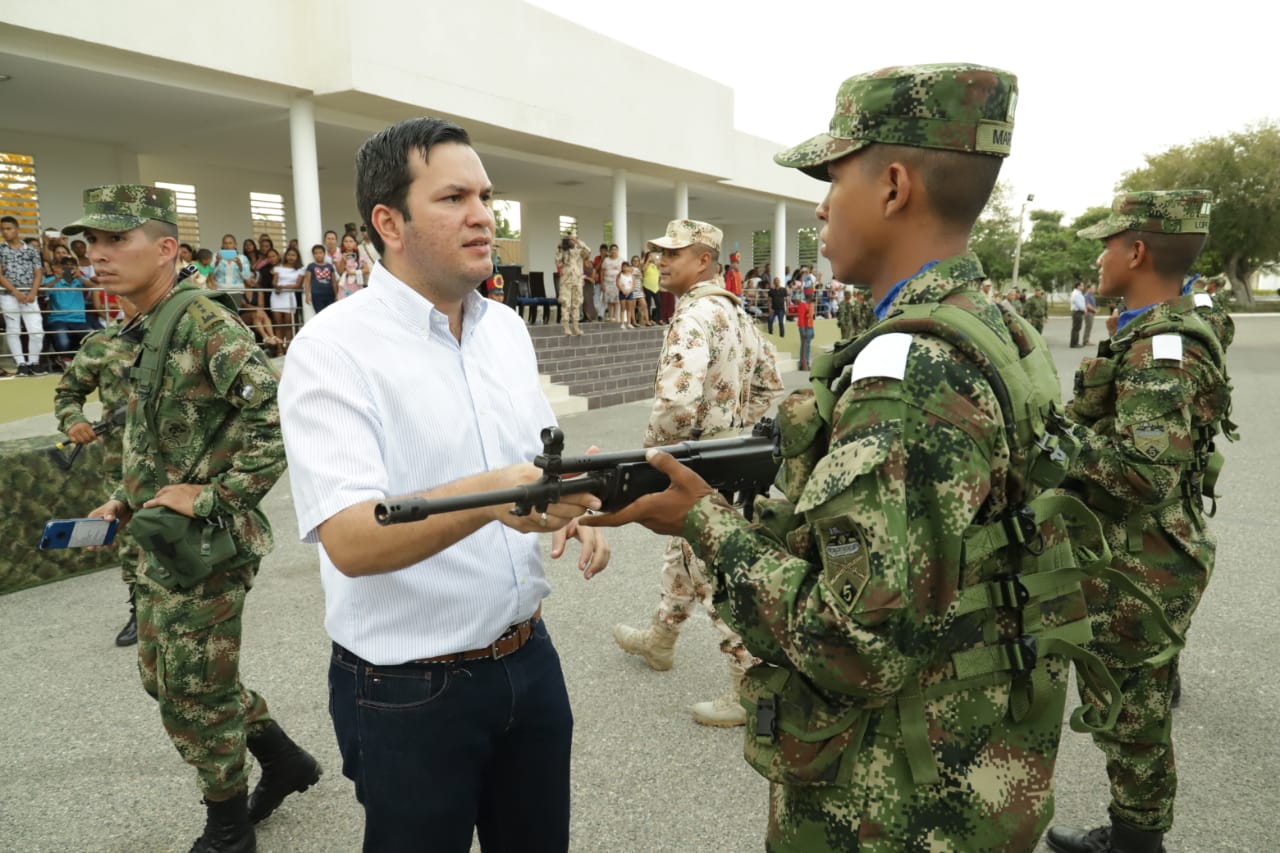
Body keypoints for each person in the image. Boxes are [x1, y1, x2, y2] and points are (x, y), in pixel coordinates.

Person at [582, 63, 1115, 851]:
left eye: (835, 177)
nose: (823, 204)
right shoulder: (995, 324)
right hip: (977, 762)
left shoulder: (909, 373)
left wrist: (700, 521)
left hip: (898, 806)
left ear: (894, 186)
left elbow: (850, 645)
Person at [277, 117, 610, 853]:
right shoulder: (333, 349)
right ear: (388, 221)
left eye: (485, 195)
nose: (483, 215)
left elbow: (527, 462)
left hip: (530, 661)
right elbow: (353, 538)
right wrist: (501, 493)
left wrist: (562, 505)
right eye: (454, 196)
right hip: (407, 691)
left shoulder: (506, 330)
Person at [70, 185, 320, 852]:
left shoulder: (206, 324)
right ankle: (286, 760)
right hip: (158, 537)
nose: (97, 253)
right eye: (90, 242)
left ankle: (229, 825)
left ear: (167, 248)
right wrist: (129, 498)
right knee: (168, 677)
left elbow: (279, 423)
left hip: (205, 544)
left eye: (115, 239)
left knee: (190, 690)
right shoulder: (141, 329)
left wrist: (209, 498)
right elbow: (164, 434)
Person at [1047, 190, 1233, 853]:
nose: (1097, 256)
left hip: (1144, 558)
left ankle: (1135, 842)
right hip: (1142, 551)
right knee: (1133, 705)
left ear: (1136, 251)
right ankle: (1133, 832)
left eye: (1106, 243)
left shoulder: (1163, 347)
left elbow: (1143, 472)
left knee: (1135, 713)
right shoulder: (1158, 325)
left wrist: (1050, 445)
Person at [612, 218, 782, 727]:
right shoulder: (734, 313)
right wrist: (732, 435)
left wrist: (656, 460)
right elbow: (770, 383)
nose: (660, 261)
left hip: (689, 463)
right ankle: (661, 639)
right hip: (722, 461)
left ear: (704, 260)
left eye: (674, 254)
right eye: (659, 253)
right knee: (686, 552)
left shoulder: (692, 318)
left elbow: (675, 403)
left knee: (713, 570)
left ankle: (749, 683)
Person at [54, 295, 142, 644]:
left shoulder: (178, 336)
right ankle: (140, 608)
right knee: (132, 536)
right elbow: (67, 394)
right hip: (121, 460)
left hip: (175, 457)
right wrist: (73, 420)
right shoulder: (102, 344)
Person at [0, 215, 48, 376]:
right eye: (3, 229)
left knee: (36, 330)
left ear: (17, 229)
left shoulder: (31, 250)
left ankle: (33, 362)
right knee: (13, 329)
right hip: (8, 295)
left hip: (30, 295)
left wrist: (33, 292)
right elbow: (0, 275)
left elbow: (38, 272)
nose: (5, 232)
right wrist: (15, 292)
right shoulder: (0, 249)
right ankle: (21, 363)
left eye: (8, 228)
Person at [43, 255, 97, 363]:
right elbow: (41, 291)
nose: (69, 268)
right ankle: (63, 360)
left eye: (72, 266)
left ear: (77, 267)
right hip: (58, 319)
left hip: (79, 319)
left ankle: (81, 360)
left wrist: (79, 277)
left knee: (93, 340)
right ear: (60, 267)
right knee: (63, 343)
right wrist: (58, 278)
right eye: (66, 266)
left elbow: (94, 286)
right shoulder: (52, 280)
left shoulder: (80, 280)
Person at [555, 234, 591, 336]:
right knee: (566, 303)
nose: (571, 241)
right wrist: (559, 249)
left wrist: (578, 242)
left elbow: (588, 251)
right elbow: (558, 263)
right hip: (566, 280)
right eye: (569, 239)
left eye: (573, 239)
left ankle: (576, 327)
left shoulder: (579, 251)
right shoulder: (563, 251)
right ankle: (566, 328)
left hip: (577, 280)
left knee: (576, 303)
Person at [210, 234, 252, 309]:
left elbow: (247, 277)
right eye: (225, 243)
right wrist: (217, 262)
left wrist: (239, 265)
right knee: (222, 314)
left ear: (235, 245)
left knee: (234, 315)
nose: (228, 246)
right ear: (222, 245)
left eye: (230, 243)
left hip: (236, 291)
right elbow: (210, 274)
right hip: (220, 291)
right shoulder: (215, 256)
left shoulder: (242, 258)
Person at [302, 244, 338, 316]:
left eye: (320, 253)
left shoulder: (329, 266)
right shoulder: (311, 266)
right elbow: (307, 281)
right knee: (320, 315)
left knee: (330, 315)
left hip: (330, 294)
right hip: (317, 295)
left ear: (324, 254)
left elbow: (334, 282)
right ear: (313, 255)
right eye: (316, 253)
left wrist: (337, 295)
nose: (318, 255)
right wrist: (307, 295)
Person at [795, 288, 815, 370]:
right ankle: (802, 363)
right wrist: (803, 331)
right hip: (804, 328)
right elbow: (801, 319)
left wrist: (813, 330)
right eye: (812, 294)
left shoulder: (811, 305)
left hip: (810, 328)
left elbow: (811, 319)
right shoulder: (802, 305)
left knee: (808, 346)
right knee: (804, 346)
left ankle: (807, 362)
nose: (813, 296)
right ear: (808, 296)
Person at [1070, 280, 1087, 347]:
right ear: (1078, 286)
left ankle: (1075, 342)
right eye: (1082, 285)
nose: (1083, 287)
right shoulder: (1076, 294)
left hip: (1079, 312)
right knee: (1076, 328)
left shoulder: (1078, 293)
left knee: (1077, 328)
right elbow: (1078, 303)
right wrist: (1083, 309)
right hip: (1077, 312)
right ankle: (1074, 344)